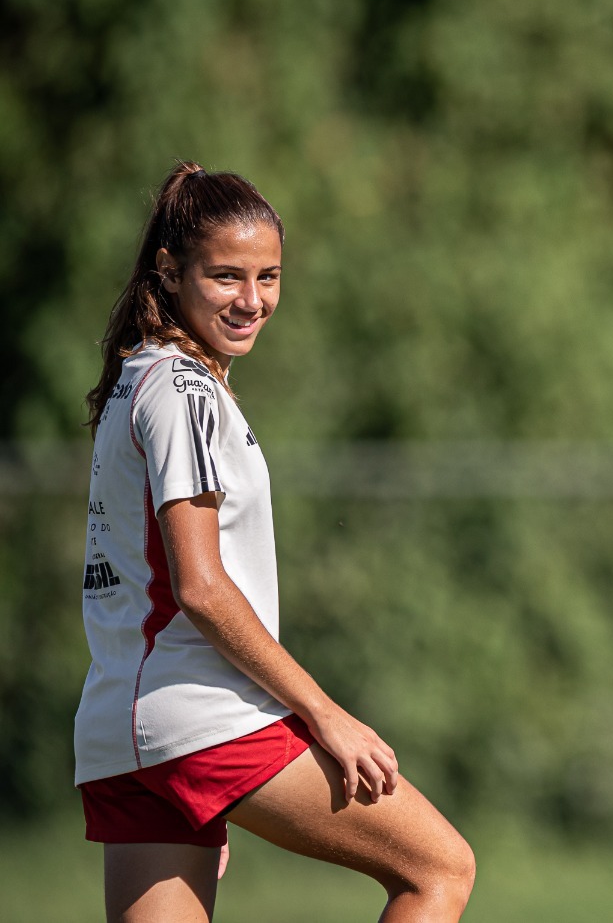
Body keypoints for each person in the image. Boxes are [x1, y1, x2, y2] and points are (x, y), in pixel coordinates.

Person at [76, 162, 474, 923]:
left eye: (269, 277)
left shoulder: (141, 376)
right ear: (171, 270)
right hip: (203, 721)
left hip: (121, 733)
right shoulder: (185, 391)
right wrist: (324, 714)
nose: (251, 300)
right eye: (226, 276)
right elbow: (200, 585)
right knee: (438, 869)